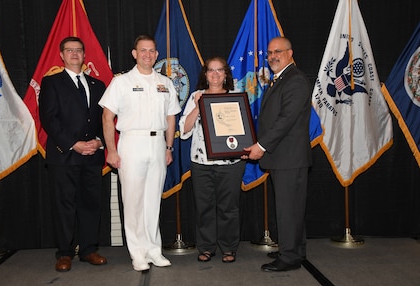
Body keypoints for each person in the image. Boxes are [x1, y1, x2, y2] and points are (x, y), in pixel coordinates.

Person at [99, 35, 181, 272]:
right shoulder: (121, 82)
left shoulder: (165, 82)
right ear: (134, 54)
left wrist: (168, 148)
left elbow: (171, 117)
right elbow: (107, 117)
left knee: (153, 200)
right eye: (143, 50)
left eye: (152, 51)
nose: (148, 55)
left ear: (156, 55)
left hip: (157, 145)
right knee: (133, 201)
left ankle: (154, 250)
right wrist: (111, 151)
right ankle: (137, 253)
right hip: (131, 143)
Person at [242, 36, 312, 272]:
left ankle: (289, 257)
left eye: (278, 52)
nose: (272, 56)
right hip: (283, 157)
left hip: (289, 158)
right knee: (291, 207)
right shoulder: (280, 79)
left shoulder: (296, 80)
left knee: (288, 208)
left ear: (290, 53)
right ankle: (294, 248)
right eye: (269, 53)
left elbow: (285, 120)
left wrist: (260, 146)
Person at [39, 36, 107, 272]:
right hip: (64, 155)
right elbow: (49, 119)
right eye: (69, 50)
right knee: (64, 205)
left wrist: (99, 142)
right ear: (62, 55)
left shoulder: (98, 85)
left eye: (78, 50)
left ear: (84, 54)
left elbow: (104, 119)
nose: (75, 54)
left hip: (93, 155)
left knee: (91, 204)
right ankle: (65, 253)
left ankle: (88, 249)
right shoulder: (51, 83)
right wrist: (74, 144)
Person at [179, 57, 246, 263]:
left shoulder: (236, 97)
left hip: (231, 163)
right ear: (205, 74)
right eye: (211, 70)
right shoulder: (195, 96)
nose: (215, 74)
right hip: (202, 162)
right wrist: (199, 105)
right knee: (204, 206)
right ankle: (206, 247)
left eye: (220, 70)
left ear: (226, 74)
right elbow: (184, 130)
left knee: (228, 207)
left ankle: (228, 247)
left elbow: (244, 129)